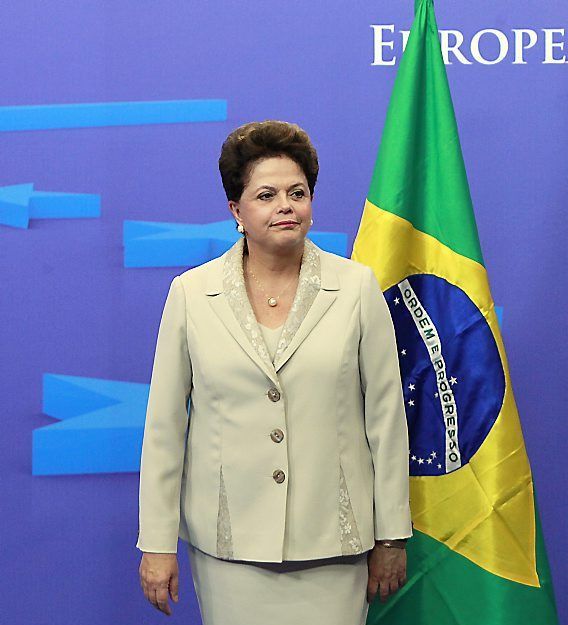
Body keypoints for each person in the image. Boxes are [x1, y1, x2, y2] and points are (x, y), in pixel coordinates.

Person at [136, 120, 412, 625]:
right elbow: (164, 429)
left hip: (335, 541)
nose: (285, 205)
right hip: (230, 544)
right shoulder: (191, 295)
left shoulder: (356, 288)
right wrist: (156, 542)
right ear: (236, 211)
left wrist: (391, 535)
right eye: (266, 194)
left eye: (297, 192)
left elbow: (387, 420)